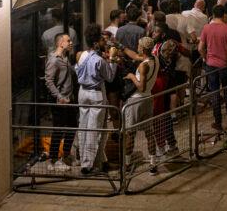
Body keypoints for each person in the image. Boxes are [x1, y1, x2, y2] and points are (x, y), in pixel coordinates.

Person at [75, 23, 118, 175]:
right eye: (101, 39)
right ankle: (87, 165)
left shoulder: (81, 55)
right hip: (96, 94)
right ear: (95, 43)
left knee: (84, 127)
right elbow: (110, 77)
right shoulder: (99, 60)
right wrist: (112, 60)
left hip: (82, 92)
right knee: (94, 129)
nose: (103, 41)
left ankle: (94, 159)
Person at [122, 37, 159, 175]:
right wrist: (123, 48)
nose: (137, 47)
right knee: (150, 133)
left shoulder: (143, 66)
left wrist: (132, 76)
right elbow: (137, 56)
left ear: (143, 49)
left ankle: (127, 164)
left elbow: (141, 87)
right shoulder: (154, 59)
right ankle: (153, 164)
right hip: (148, 99)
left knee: (130, 133)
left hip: (136, 100)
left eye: (138, 46)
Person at [198, 5, 227, 131]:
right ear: (223, 14)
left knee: (214, 93)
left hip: (211, 65)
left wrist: (206, 58)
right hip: (225, 65)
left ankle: (218, 122)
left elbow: (200, 48)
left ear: (213, 14)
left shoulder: (206, 28)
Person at [44, 33, 76, 172]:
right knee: (58, 130)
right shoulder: (54, 60)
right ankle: (53, 159)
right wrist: (59, 96)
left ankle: (66, 155)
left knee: (72, 127)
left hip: (70, 100)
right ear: (60, 43)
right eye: (68, 41)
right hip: (60, 102)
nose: (71, 42)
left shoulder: (65, 58)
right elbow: (49, 81)